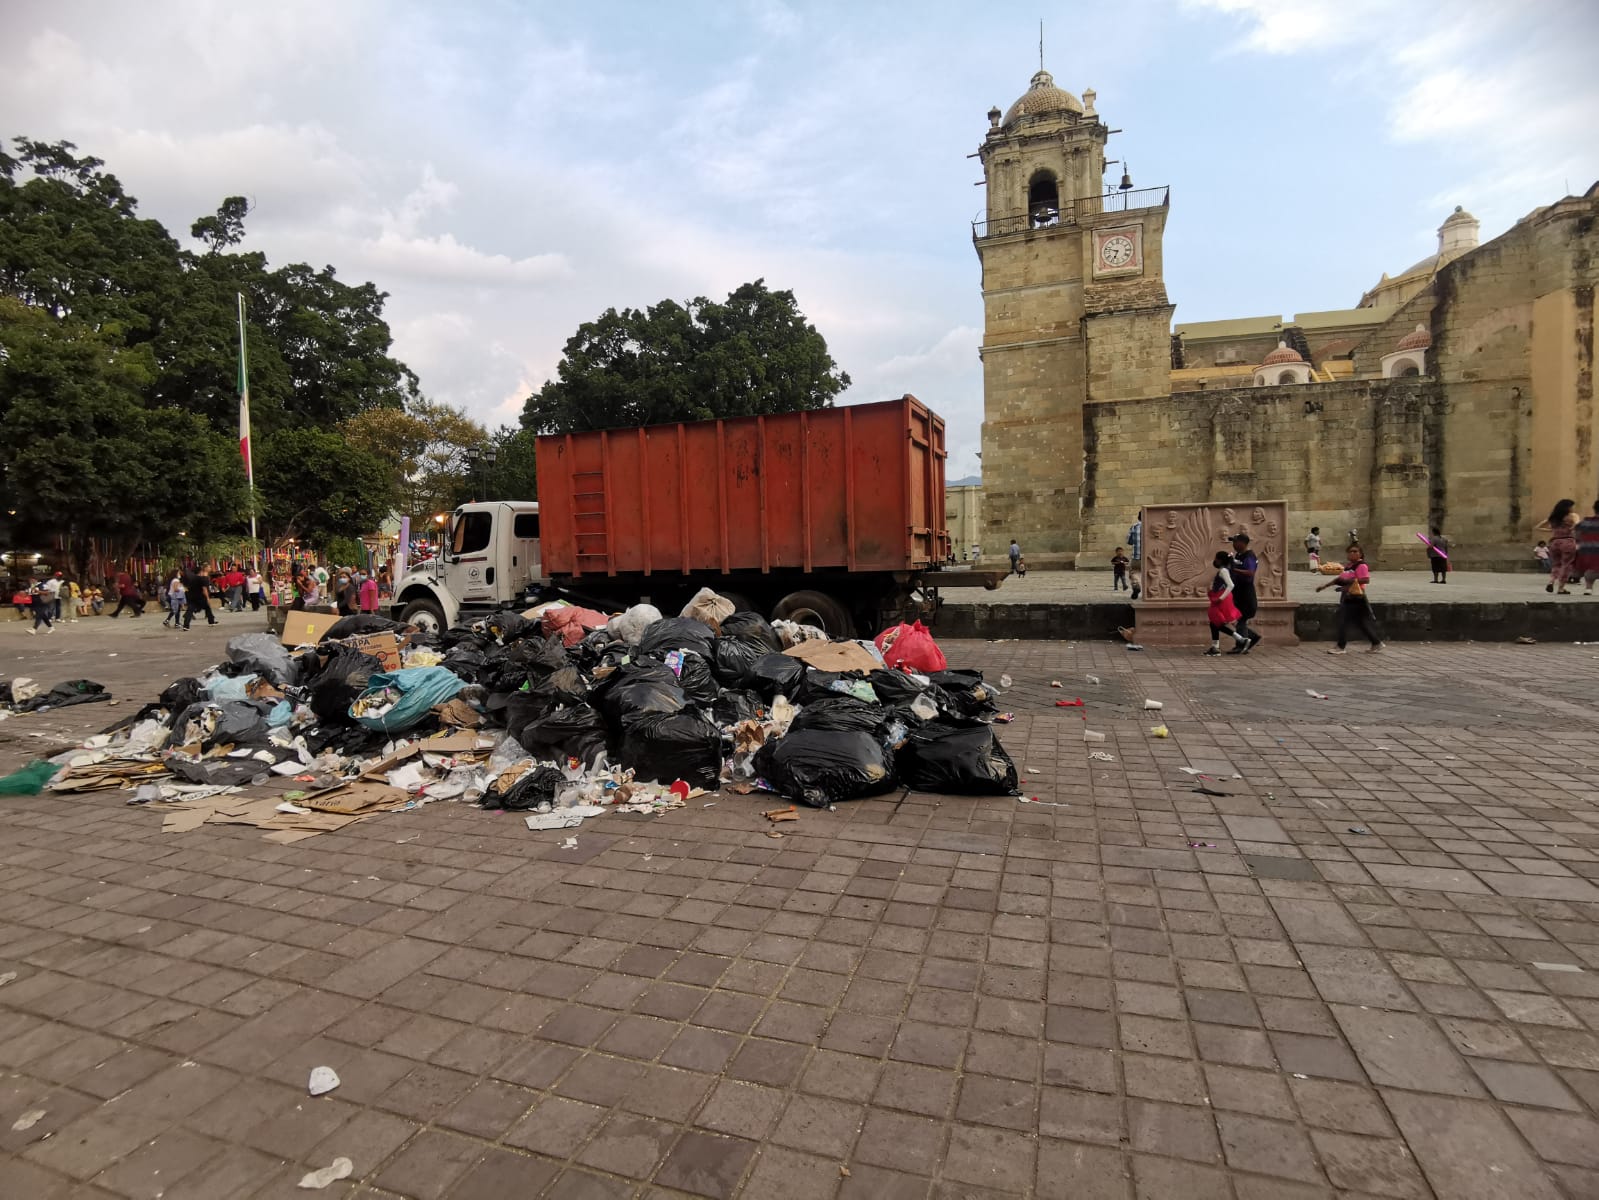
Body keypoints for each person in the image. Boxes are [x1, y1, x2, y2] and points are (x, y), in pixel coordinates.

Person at [1317, 543, 1383, 653]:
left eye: (1355, 551)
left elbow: (1365, 579)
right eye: (1350, 552)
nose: (1352, 553)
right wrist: (1325, 586)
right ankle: (1376, 643)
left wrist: (1348, 583)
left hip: (1355, 597)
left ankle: (1340, 647)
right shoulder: (1348, 566)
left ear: (1361, 554)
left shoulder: (1361, 566)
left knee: (1343, 620)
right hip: (1347, 595)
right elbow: (1339, 579)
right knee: (1360, 622)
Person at [1204, 552, 1251, 656]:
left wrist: (1220, 598)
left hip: (1221, 597)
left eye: (1216, 558)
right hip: (1222, 596)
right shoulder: (1225, 569)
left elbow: (1231, 585)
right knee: (1214, 623)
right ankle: (1216, 647)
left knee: (1215, 621)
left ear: (1220, 560)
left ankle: (1241, 640)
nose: (1215, 561)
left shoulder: (1223, 570)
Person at [1226, 532, 1261, 654]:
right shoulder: (1238, 555)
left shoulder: (1249, 556)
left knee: (1240, 619)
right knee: (1237, 620)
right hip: (1238, 592)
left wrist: (1233, 569)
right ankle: (1252, 637)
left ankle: (1241, 645)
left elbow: (1250, 573)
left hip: (1246, 593)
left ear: (1242, 543)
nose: (1233, 544)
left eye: (1235, 542)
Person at [1537, 499, 1579, 594]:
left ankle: (1551, 581)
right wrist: (1570, 528)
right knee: (1566, 565)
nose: (1573, 508)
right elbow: (1577, 525)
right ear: (1568, 507)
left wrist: (1553, 530)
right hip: (1567, 541)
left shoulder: (1553, 518)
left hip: (1554, 542)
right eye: (1572, 506)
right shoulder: (1572, 516)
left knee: (1556, 564)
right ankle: (1561, 588)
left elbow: (1538, 527)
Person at [1574, 499, 1599, 597]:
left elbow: (1577, 533)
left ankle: (1588, 589)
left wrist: (1580, 543)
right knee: (1594, 569)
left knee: (1590, 568)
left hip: (1586, 549)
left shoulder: (1586, 521)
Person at [181, 563, 217, 628]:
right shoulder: (201, 579)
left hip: (192, 596)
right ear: (200, 571)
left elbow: (187, 588)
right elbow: (204, 589)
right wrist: (207, 598)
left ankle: (186, 625)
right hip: (200, 597)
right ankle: (211, 621)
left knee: (190, 610)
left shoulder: (191, 579)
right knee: (207, 607)